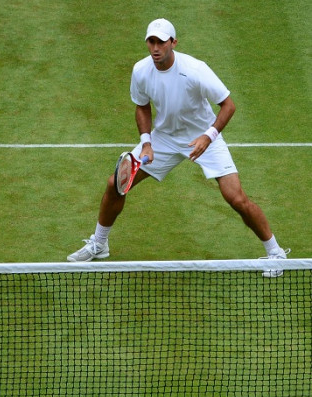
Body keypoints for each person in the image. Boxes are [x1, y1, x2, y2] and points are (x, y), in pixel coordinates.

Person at [67, 19, 289, 275]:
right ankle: (99, 243)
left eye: (161, 41)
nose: (155, 47)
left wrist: (208, 136)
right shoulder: (141, 70)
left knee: (236, 199)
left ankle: (276, 254)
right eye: (151, 41)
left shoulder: (196, 69)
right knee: (114, 184)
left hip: (204, 136)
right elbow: (142, 106)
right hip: (164, 138)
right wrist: (146, 143)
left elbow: (228, 105)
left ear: (173, 43)